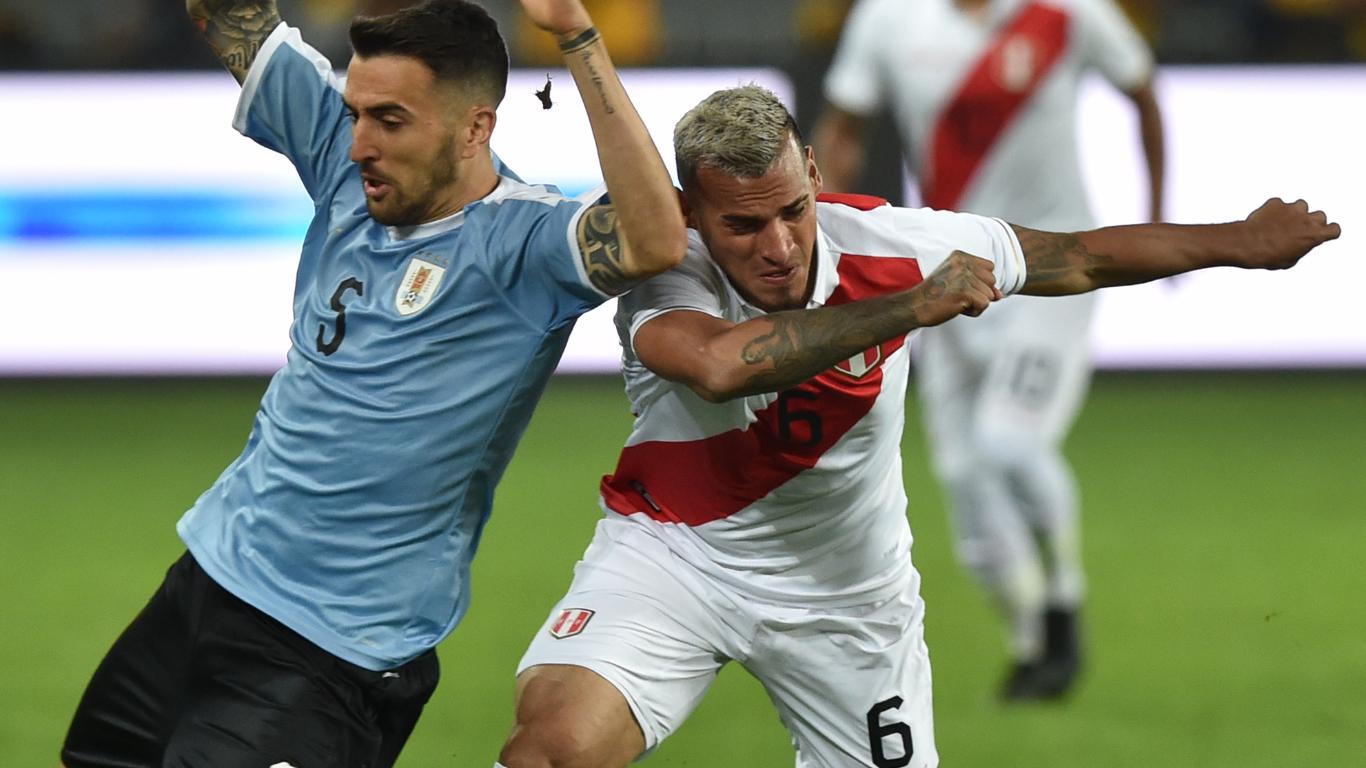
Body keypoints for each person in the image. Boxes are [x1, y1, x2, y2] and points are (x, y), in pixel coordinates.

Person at [495, 85, 1338, 768]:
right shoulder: (665, 267)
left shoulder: (898, 240)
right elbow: (721, 364)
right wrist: (908, 308)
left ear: (817, 174)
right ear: (690, 214)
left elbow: (1079, 256)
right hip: (674, 558)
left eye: (793, 209)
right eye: (743, 225)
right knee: (553, 749)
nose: (780, 246)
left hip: (850, 600)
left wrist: (1238, 239)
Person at [59, 1, 685, 766]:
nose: (359, 143)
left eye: (390, 120)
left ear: (475, 129)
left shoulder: (526, 245)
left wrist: (575, 36)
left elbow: (654, 237)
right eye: (356, 113)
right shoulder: (341, 157)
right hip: (205, 584)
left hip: (329, 655)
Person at [812, 0, 1166, 699]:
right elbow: (844, 129)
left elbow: (1144, 92)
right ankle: (1032, 643)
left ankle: (1063, 603)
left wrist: (1156, 212)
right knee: (966, 480)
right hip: (951, 274)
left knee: (1010, 443)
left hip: (1053, 272)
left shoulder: (1067, 12)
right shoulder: (887, 18)